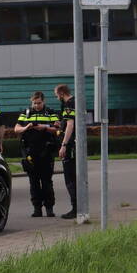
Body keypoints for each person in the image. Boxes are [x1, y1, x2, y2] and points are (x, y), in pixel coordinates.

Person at [13, 91, 60, 217]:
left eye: (39, 103)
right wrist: (26, 127)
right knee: (33, 182)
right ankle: (37, 209)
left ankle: (49, 208)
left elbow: (57, 128)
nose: (37, 105)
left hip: (46, 151)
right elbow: (16, 129)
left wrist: (43, 127)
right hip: (30, 152)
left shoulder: (50, 112)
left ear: (43, 101)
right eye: (34, 103)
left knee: (47, 182)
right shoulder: (26, 113)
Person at [54, 83, 77, 219]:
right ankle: (78, 207)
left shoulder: (69, 104)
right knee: (73, 176)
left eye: (57, 95)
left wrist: (64, 144)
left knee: (70, 178)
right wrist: (60, 124)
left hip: (70, 145)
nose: (57, 97)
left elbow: (70, 125)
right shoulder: (76, 102)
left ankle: (75, 208)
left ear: (62, 93)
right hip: (75, 143)